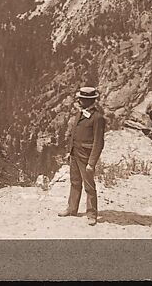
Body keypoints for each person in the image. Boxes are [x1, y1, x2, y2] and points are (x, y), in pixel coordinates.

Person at [57, 86, 106, 225]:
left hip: (85, 156)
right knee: (74, 182)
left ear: (89, 100)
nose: (79, 100)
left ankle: (92, 214)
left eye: (82, 99)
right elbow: (74, 134)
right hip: (75, 154)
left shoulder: (98, 118)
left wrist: (92, 162)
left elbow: (98, 142)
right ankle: (72, 208)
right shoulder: (80, 113)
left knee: (89, 186)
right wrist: (70, 151)